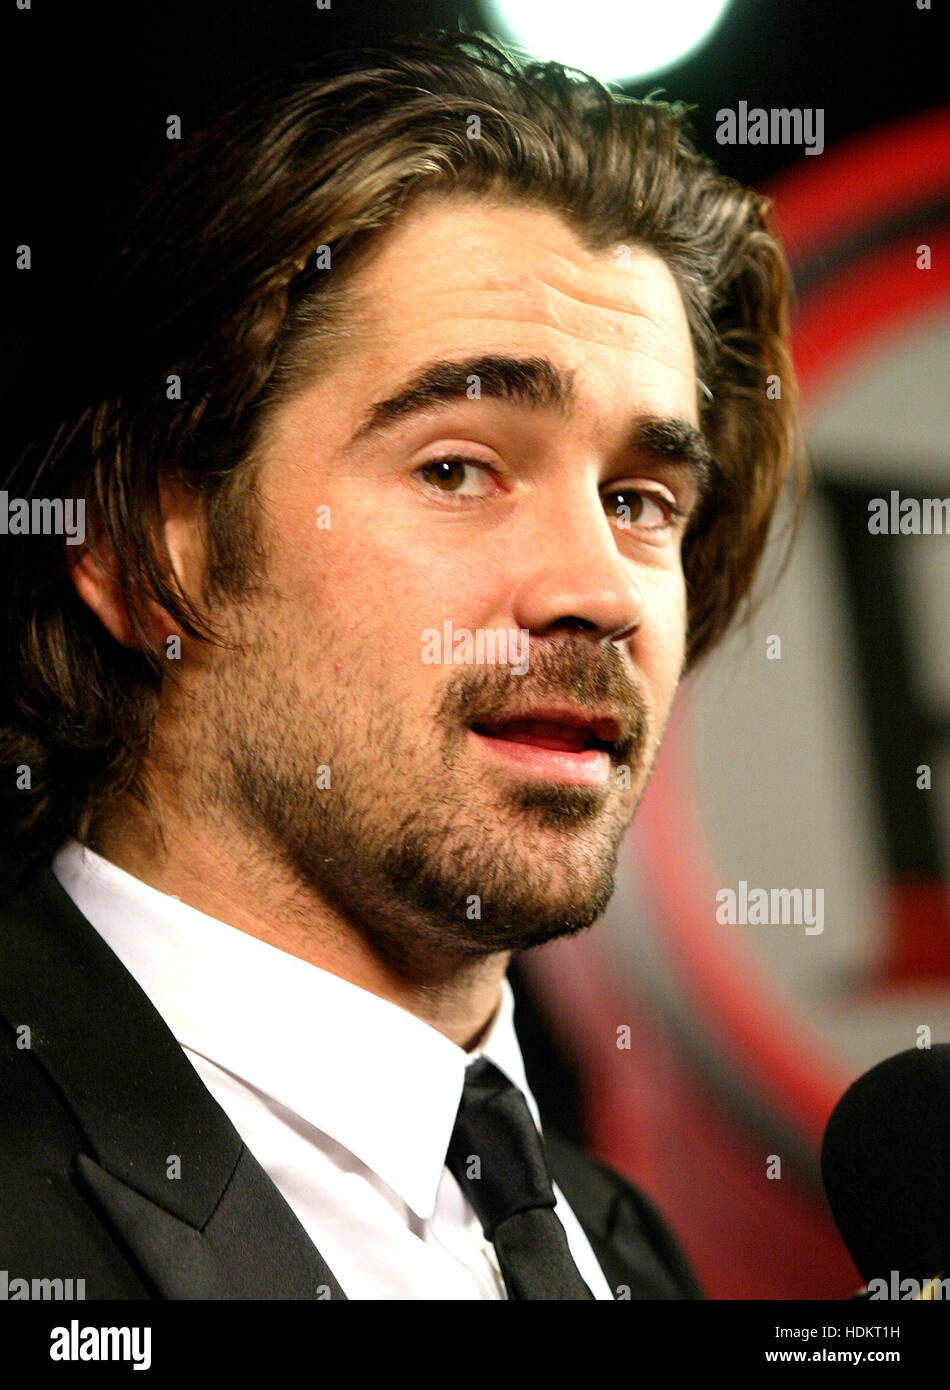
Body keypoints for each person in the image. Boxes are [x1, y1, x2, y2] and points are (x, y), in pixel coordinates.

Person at [0, 30, 802, 1299]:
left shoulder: (630, 1254)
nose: (596, 590)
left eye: (642, 498)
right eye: (455, 469)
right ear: (146, 549)